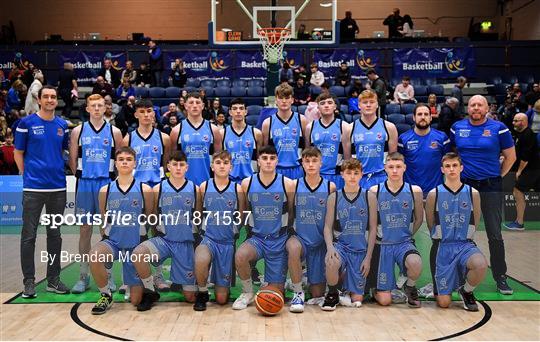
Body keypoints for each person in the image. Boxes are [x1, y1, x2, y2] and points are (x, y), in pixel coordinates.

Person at [450, 94, 516, 294]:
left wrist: (498, 175)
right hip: (465, 186)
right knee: (461, 232)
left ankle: (501, 277)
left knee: (494, 233)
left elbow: (510, 156)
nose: (476, 107)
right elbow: (453, 155)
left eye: (480, 104)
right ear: (467, 108)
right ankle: (459, 275)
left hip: (490, 186)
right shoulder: (457, 128)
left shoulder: (499, 128)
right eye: (472, 104)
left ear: (487, 108)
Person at [14, 85, 70, 298]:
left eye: (53, 97)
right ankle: (29, 282)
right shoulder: (25, 123)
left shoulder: (62, 125)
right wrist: (24, 173)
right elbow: (18, 152)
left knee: (55, 235)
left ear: (56, 100)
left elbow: (62, 150)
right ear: (38, 99)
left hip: (58, 188)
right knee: (28, 236)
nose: (49, 100)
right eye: (45, 96)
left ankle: (53, 279)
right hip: (33, 188)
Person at [89, 147, 155, 314]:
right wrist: (105, 238)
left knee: (136, 301)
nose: (125, 161)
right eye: (121, 159)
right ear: (115, 164)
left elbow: (150, 218)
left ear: (135, 163)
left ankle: (148, 286)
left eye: (128, 159)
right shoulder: (105, 190)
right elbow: (103, 219)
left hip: (135, 245)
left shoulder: (145, 189)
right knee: (94, 255)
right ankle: (105, 295)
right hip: (114, 243)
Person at [131, 150, 199, 311]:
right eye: (174, 164)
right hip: (164, 241)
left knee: (190, 298)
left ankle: (183, 281)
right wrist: (154, 238)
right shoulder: (158, 189)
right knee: (138, 253)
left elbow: (198, 218)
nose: (178, 168)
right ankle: (150, 290)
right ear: (168, 166)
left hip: (185, 244)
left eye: (181, 165)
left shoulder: (195, 189)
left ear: (187, 167)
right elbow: (153, 216)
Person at [69, 94, 124, 294]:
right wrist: (82, 178)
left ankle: (106, 275)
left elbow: (119, 161)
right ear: (87, 109)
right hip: (85, 184)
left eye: (100, 105)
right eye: (94, 106)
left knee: (105, 231)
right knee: (85, 230)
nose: (97, 108)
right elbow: (73, 160)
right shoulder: (78, 131)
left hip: (106, 184)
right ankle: (83, 276)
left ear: (105, 108)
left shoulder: (115, 132)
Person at [232, 145, 296, 310]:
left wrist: (285, 236)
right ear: (258, 161)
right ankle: (247, 292)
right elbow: (245, 211)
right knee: (240, 255)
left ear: (277, 161)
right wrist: (248, 234)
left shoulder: (287, 184)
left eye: (272, 158)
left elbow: (291, 213)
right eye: (264, 158)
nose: (268, 162)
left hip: (278, 241)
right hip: (257, 240)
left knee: (275, 296)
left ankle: (281, 282)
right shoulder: (247, 183)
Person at [425, 152, 488, 311]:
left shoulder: (473, 193)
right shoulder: (434, 194)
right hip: (442, 247)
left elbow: (476, 219)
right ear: (442, 169)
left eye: (455, 165)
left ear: (461, 168)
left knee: (481, 265)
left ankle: (466, 291)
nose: (451, 169)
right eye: (448, 166)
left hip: (465, 245)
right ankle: (440, 287)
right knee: (444, 303)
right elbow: (430, 223)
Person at [124, 99, 171, 291]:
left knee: (156, 232)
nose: (145, 115)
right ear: (136, 114)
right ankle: (132, 278)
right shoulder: (128, 139)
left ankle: (158, 275)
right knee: (133, 232)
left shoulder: (164, 138)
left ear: (154, 114)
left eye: (149, 111)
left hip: (157, 188)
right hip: (136, 189)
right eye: (141, 111)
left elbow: (166, 163)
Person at [321, 159, 376, 310]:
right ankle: (332, 294)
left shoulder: (369, 197)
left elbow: (372, 229)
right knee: (331, 261)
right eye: (348, 173)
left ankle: (343, 289)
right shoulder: (334, 197)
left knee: (357, 300)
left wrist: (368, 258)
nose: (352, 176)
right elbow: (327, 227)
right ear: (342, 175)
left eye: (356, 173)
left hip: (360, 250)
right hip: (342, 246)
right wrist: (330, 247)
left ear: (361, 175)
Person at [193, 151, 246, 311]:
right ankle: (202, 292)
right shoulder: (204, 186)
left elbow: (242, 214)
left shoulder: (237, 188)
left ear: (231, 167)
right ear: (212, 166)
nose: (222, 166)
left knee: (222, 299)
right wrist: (200, 232)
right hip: (208, 239)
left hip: (227, 243)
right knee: (201, 258)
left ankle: (216, 281)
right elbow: (198, 212)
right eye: (218, 162)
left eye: (225, 163)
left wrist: (234, 231)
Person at [370, 152, 424, 308]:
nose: (394, 171)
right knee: (385, 301)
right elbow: (371, 223)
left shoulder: (415, 191)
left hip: (403, 244)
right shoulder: (375, 191)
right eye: (391, 167)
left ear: (404, 168)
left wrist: (406, 235)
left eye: (398, 167)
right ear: (385, 168)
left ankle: (410, 286)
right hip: (382, 245)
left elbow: (419, 219)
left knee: (415, 263)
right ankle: (375, 288)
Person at [287, 147, 336, 312]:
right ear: (302, 163)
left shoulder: (330, 187)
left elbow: (331, 220)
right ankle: (297, 292)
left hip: (320, 241)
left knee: (317, 293)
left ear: (321, 163)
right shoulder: (294, 185)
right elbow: (291, 214)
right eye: (307, 161)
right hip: (301, 238)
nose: (311, 164)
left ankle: (309, 277)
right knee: (292, 247)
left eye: (314, 161)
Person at [170, 92, 222, 186]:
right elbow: (173, 161)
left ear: (202, 106)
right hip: (183, 184)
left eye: (198, 102)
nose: (194, 106)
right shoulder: (176, 131)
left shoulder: (213, 130)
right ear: (185, 106)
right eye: (191, 103)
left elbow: (218, 160)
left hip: (208, 182)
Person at [398, 103, 450, 196]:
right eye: (419, 114)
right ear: (414, 117)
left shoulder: (442, 138)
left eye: (426, 114)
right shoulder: (403, 139)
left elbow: (448, 165)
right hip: (410, 192)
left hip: (435, 191)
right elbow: (399, 165)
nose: (423, 117)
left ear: (431, 117)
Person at [351, 90, 398, 189]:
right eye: (365, 102)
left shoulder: (389, 127)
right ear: (359, 105)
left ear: (377, 104)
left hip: (382, 177)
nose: (368, 105)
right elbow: (348, 160)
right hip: (358, 178)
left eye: (372, 102)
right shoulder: (350, 128)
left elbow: (393, 158)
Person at [262, 83, 308, 180]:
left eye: (287, 98)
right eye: (281, 98)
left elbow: (307, 148)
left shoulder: (302, 120)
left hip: (297, 169)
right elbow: (265, 152)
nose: (284, 101)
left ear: (292, 100)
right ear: (276, 100)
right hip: (276, 170)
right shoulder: (267, 123)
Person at [306, 93, 352, 190]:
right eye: (322, 103)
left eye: (330, 103)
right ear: (318, 107)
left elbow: (347, 158)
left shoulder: (344, 126)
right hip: (317, 175)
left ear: (335, 106)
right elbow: (307, 155)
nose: (326, 105)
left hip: (337, 175)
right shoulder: (310, 127)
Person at [504, 113, 539, 230]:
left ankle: (519, 223)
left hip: (532, 169)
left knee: (518, 191)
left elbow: (526, 157)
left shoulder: (528, 135)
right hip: (531, 168)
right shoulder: (520, 134)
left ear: (523, 122)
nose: (513, 122)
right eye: (513, 120)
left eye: (516, 121)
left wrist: (519, 171)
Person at [223, 98, 262, 183]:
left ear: (246, 111)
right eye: (234, 108)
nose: (238, 111)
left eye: (241, 108)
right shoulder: (222, 133)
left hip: (251, 178)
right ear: (230, 112)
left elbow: (260, 159)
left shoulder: (256, 133)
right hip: (230, 179)